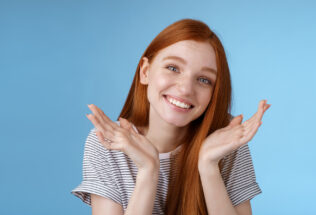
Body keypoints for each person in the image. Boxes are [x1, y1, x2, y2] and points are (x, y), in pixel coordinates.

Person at [71, 18, 271, 215]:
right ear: (145, 71)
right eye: (173, 68)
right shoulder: (107, 143)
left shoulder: (226, 142)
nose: (185, 89)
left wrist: (209, 166)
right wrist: (148, 171)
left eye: (204, 79)